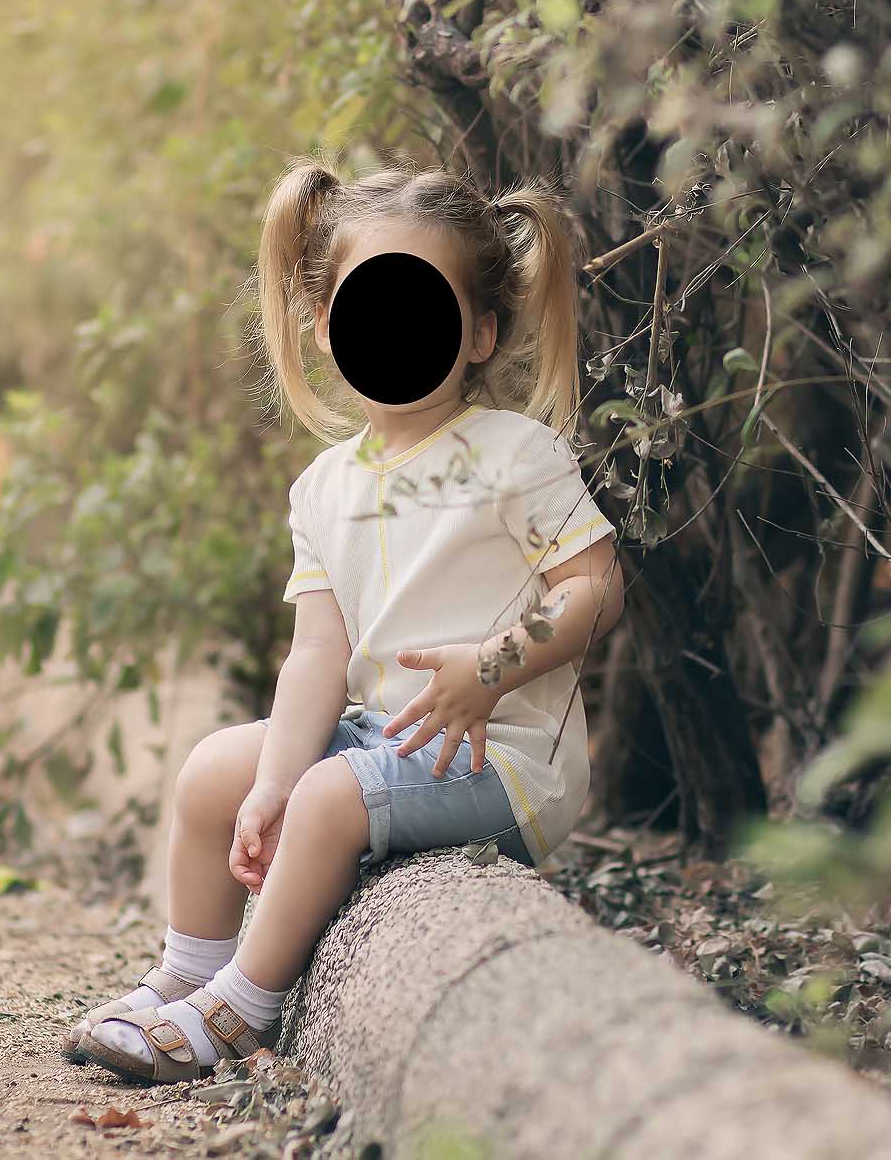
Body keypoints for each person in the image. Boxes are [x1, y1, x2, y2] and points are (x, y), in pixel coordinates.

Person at [66, 154, 625, 1084]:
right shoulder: (324, 487)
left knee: (332, 796)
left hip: (502, 762)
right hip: (384, 739)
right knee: (214, 772)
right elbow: (318, 655)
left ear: (479, 332)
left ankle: (243, 1007)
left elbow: (595, 588)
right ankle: (187, 971)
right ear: (327, 326)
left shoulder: (513, 454)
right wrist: (271, 784)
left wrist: (493, 663)